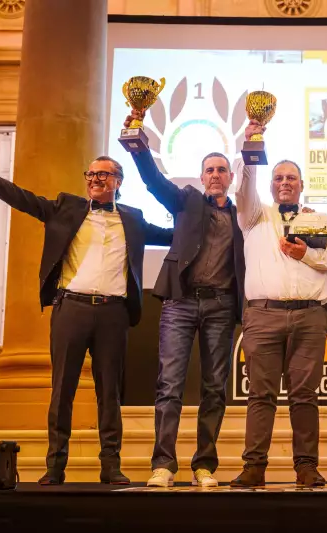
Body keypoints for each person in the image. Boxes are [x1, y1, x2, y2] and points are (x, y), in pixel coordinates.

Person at [0, 154, 173, 486]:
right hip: (71, 308)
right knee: (62, 392)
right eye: (91, 173)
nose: (96, 179)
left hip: (114, 313)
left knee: (110, 393)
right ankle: (55, 466)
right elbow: (22, 198)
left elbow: (173, 236)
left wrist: (207, 216)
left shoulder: (133, 218)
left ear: (119, 182)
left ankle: (110, 465)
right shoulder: (65, 207)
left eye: (105, 174)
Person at [124, 110, 245, 488]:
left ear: (230, 177)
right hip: (181, 302)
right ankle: (163, 464)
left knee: (214, 388)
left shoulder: (245, 215)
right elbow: (152, 180)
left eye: (221, 169)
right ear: (201, 176)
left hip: (222, 306)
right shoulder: (187, 201)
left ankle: (204, 466)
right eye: (209, 169)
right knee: (170, 385)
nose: (214, 175)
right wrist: (137, 142)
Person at [229, 120, 327, 488]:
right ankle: (254, 468)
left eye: (291, 178)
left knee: (305, 396)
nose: (284, 183)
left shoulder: (320, 219)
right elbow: (245, 184)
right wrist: (251, 141)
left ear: (301, 184)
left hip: (311, 317)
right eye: (279, 178)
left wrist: (307, 256)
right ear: (271, 185)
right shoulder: (253, 215)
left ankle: (306, 467)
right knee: (260, 395)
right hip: (263, 316)